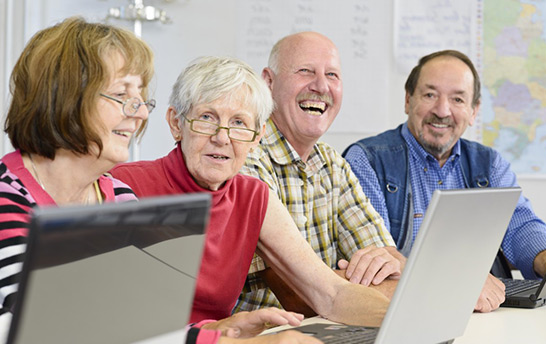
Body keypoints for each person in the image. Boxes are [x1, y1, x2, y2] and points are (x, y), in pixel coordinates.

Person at [110, 56, 395, 343]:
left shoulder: (253, 197)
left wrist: (407, 321)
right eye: (207, 118)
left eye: (239, 123)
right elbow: (111, 321)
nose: (222, 138)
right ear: (176, 124)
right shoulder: (124, 185)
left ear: (256, 137)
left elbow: (331, 293)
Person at [343, 49, 546, 313]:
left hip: (486, 313)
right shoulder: (367, 161)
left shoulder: (489, 164)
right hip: (407, 313)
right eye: (430, 95)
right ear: (408, 100)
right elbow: (377, 260)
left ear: (474, 111)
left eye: (458, 99)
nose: (442, 111)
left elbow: (522, 226)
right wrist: (459, 280)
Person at [234, 32, 405, 315]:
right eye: (305, 71)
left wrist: (382, 273)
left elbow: (388, 265)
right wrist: (363, 287)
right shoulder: (244, 156)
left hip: (328, 328)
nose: (321, 86)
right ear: (268, 82)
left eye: (332, 75)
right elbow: (299, 296)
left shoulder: (332, 163)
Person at [0, 17, 153, 331]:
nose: (140, 112)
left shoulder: (122, 200)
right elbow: (47, 330)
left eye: (140, 97)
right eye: (122, 95)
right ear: (66, 97)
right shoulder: (7, 200)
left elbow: (146, 319)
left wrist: (221, 332)